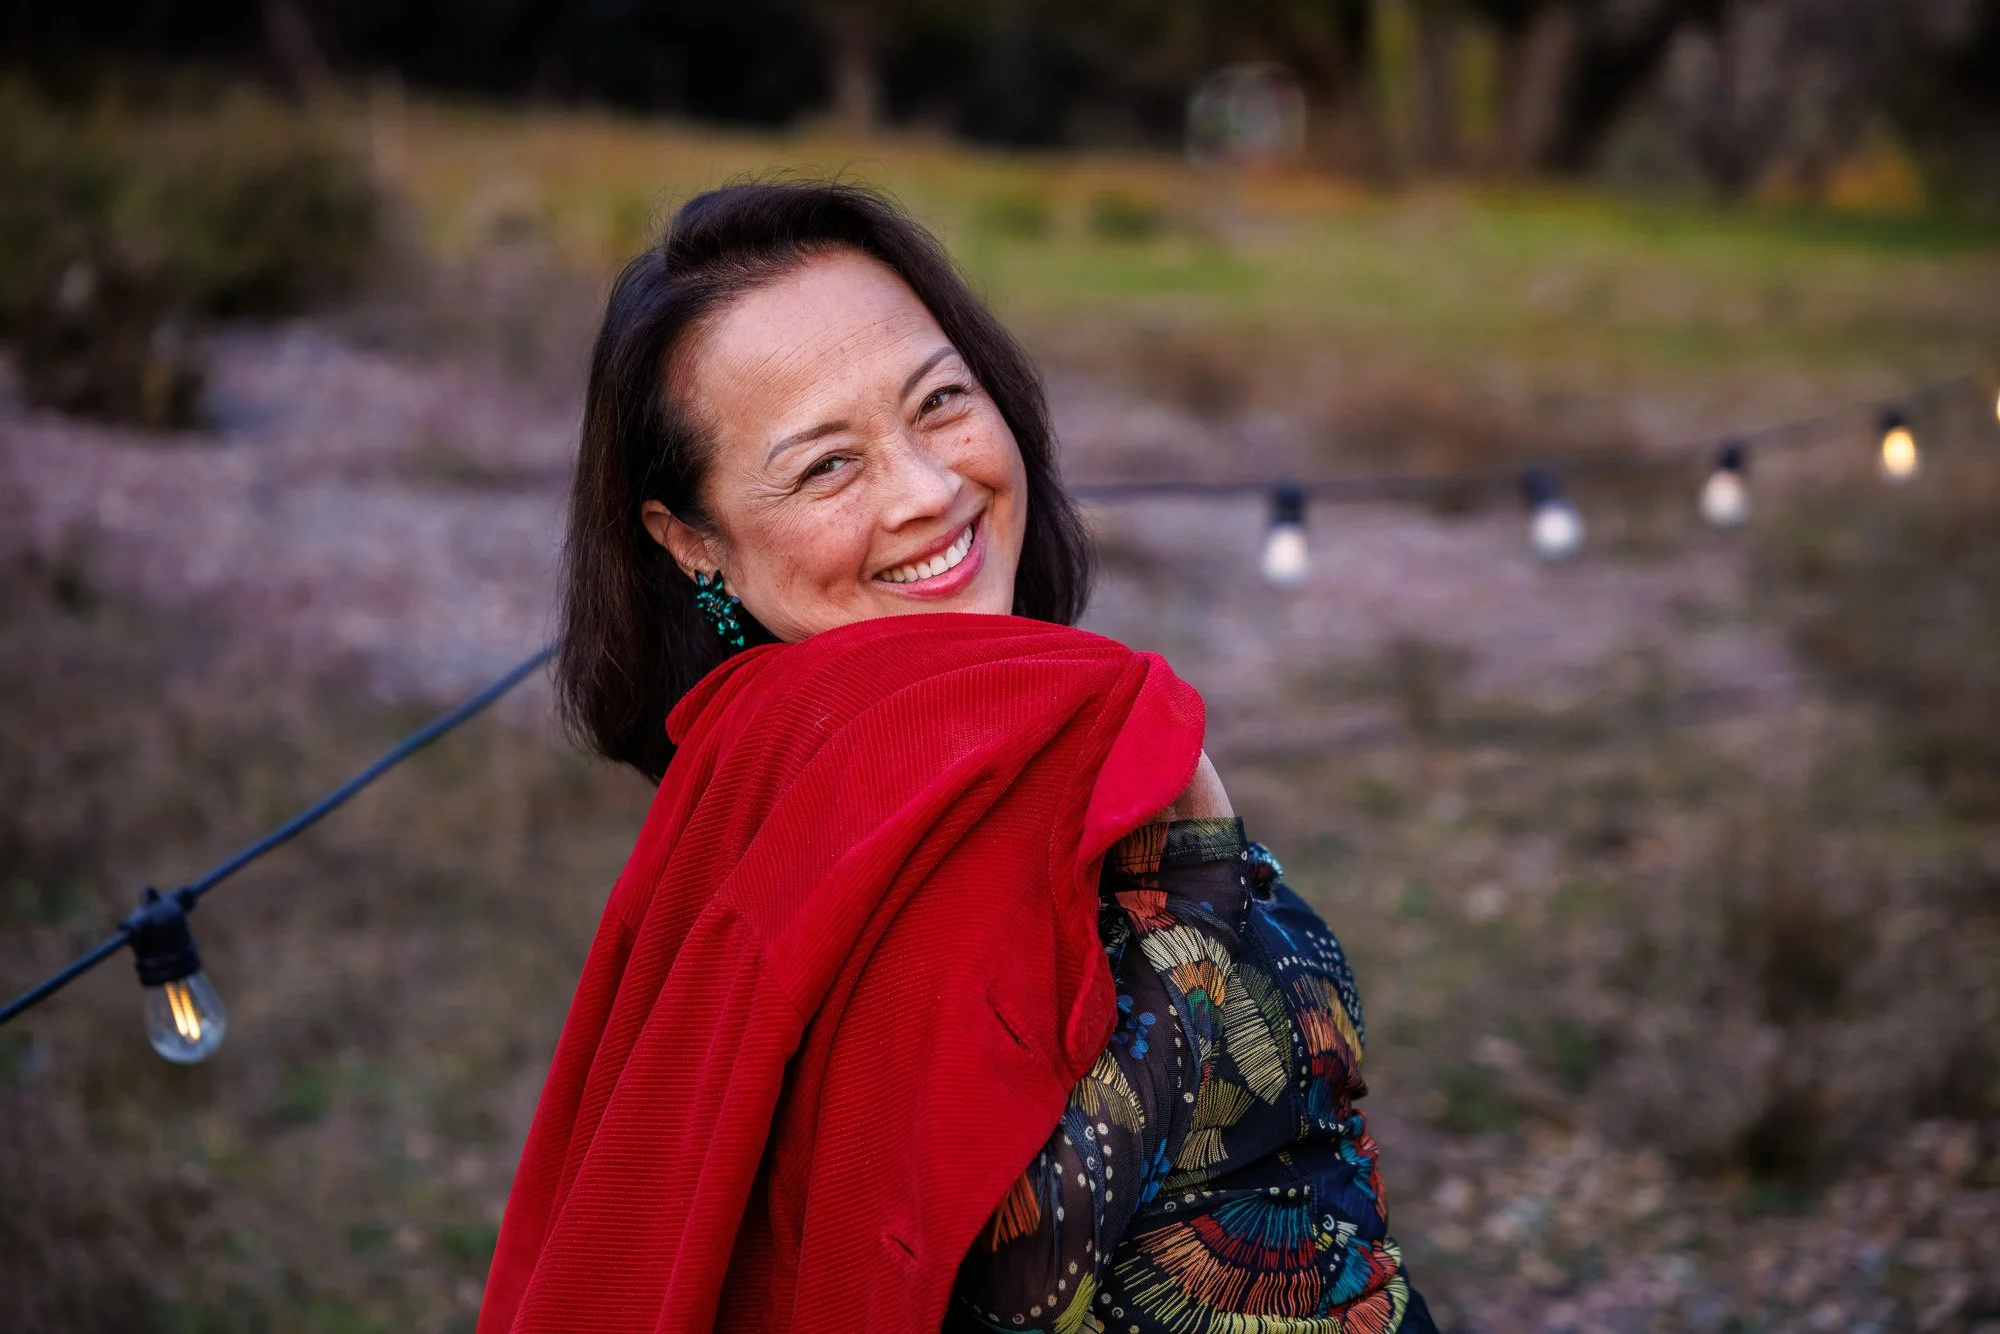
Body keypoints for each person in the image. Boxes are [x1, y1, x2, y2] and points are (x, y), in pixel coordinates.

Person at [479, 181, 1433, 1334]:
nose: (931, 492)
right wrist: (1195, 888)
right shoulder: (850, 797)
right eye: (826, 465)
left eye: (939, 402)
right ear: (693, 542)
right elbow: (992, 1262)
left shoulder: (933, 737)